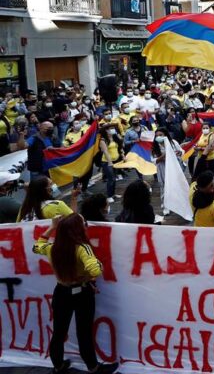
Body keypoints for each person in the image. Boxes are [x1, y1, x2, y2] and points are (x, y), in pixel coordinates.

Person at [33, 214, 119, 374]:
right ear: (78, 230)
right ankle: (93, 367)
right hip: (82, 294)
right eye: (84, 223)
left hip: (61, 293)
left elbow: (36, 247)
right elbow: (96, 269)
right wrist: (84, 277)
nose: (86, 226)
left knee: (58, 332)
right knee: (84, 332)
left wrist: (52, 227)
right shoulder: (82, 248)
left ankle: (58, 366)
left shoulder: (52, 248)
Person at [98, 125, 124, 204]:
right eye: (110, 129)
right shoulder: (103, 140)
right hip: (107, 162)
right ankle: (109, 196)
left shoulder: (115, 138)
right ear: (105, 131)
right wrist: (110, 162)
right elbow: (105, 152)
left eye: (113, 128)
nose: (112, 130)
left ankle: (113, 194)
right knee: (111, 179)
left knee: (114, 178)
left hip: (116, 161)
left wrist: (123, 156)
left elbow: (120, 148)